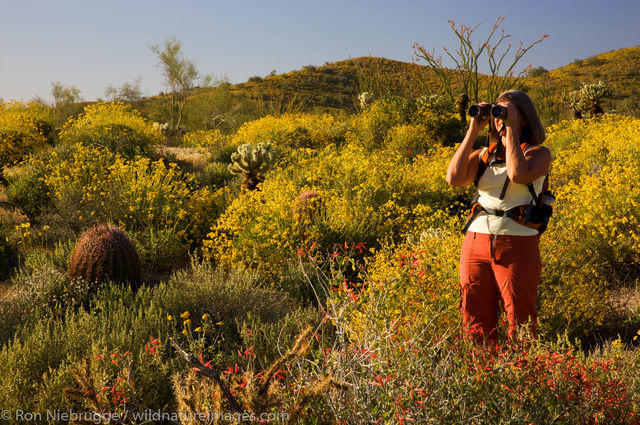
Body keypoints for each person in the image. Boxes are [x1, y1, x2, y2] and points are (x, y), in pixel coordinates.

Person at [446, 90, 551, 343]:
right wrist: (474, 128)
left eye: (506, 112)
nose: (499, 118)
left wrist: (511, 130)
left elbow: (517, 174)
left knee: (520, 319)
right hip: (475, 242)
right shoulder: (485, 154)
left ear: (524, 118)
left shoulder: (538, 153)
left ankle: (523, 376)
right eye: (497, 112)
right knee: (474, 318)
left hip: (517, 243)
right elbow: (453, 178)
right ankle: (482, 374)